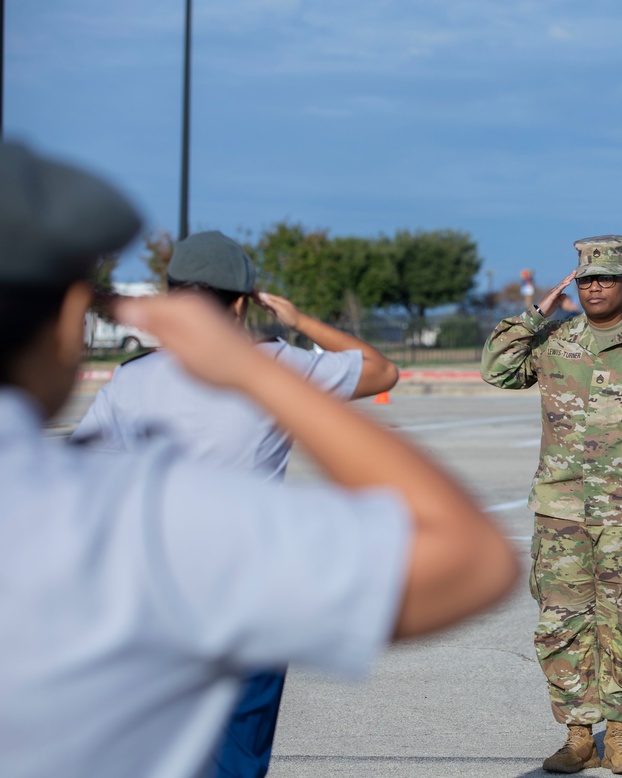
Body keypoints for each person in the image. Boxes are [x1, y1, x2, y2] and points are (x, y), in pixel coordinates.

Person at [0, 141, 519, 778]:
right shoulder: (266, 375)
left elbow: (84, 455)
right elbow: (468, 554)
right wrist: (280, 345)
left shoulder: (127, 387)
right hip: (239, 582)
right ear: (241, 305)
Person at [71, 229, 400, 778]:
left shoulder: (130, 382)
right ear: (243, 303)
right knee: (237, 756)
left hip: (154, 592)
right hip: (251, 588)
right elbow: (381, 370)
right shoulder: (279, 367)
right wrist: (298, 323)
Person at [481, 235, 622, 775]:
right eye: (585, 279)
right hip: (561, 511)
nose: (595, 286)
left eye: (606, 277)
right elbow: (496, 368)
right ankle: (579, 733)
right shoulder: (556, 342)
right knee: (561, 623)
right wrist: (536, 313)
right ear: (574, 285)